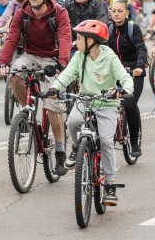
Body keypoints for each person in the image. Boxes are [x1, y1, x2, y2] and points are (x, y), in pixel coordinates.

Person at [48, 20, 133, 205]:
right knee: (72, 122)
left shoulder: (109, 56)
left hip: (107, 104)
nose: (75, 42)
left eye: (79, 38)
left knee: (105, 141)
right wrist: (55, 87)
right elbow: (67, 74)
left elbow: (124, 77)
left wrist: (125, 89)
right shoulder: (79, 56)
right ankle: (76, 149)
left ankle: (110, 184)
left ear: (92, 41)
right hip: (85, 100)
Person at [0, 0, 72, 175]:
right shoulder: (23, 13)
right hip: (30, 55)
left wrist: (62, 63)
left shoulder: (60, 13)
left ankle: (59, 151)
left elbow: (65, 38)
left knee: (53, 103)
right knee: (14, 73)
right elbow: (12, 37)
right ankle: (27, 113)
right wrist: (3, 60)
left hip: (52, 59)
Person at [108, 0, 148, 157]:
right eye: (114, 11)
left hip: (133, 72)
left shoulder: (133, 29)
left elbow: (141, 49)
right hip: (115, 72)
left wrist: (139, 66)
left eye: (120, 11)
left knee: (130, 104)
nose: (116, 14)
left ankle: (134, 142)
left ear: (126, 13)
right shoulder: (109, 29)